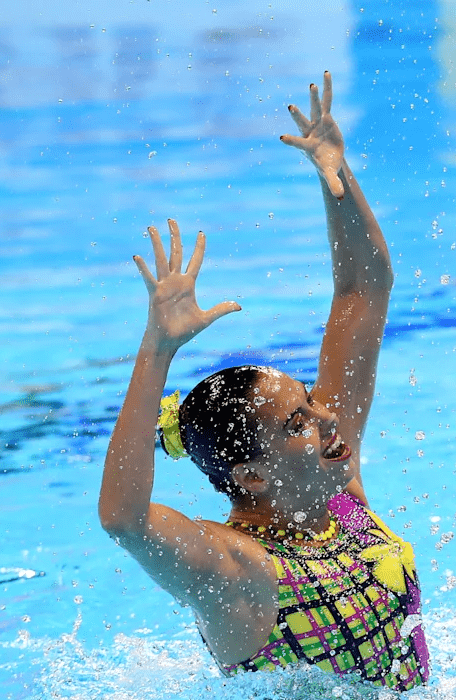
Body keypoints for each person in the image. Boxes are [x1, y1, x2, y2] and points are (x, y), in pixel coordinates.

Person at [98, 73, 430, 689]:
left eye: (309, 401)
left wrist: (337, 178)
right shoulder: (239, 571)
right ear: (251, 475)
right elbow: (124, 519)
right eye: (298, 421)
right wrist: (156, 351)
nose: (328, 417)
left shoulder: (336, 485)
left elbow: (364, 288)